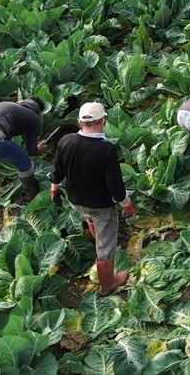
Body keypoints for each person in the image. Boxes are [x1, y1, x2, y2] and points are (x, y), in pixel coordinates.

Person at [49, 102, 136, 296]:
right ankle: (108, 284)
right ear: (103, 121)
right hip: (101, 205)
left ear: (80, 122)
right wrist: (127, 205)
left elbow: (57, 171)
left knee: (89, 216)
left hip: (76, 201)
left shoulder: (66, 141)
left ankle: (95, 235)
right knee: (106, 245)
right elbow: (116, 187)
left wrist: (54, 189)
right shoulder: (106, 150)